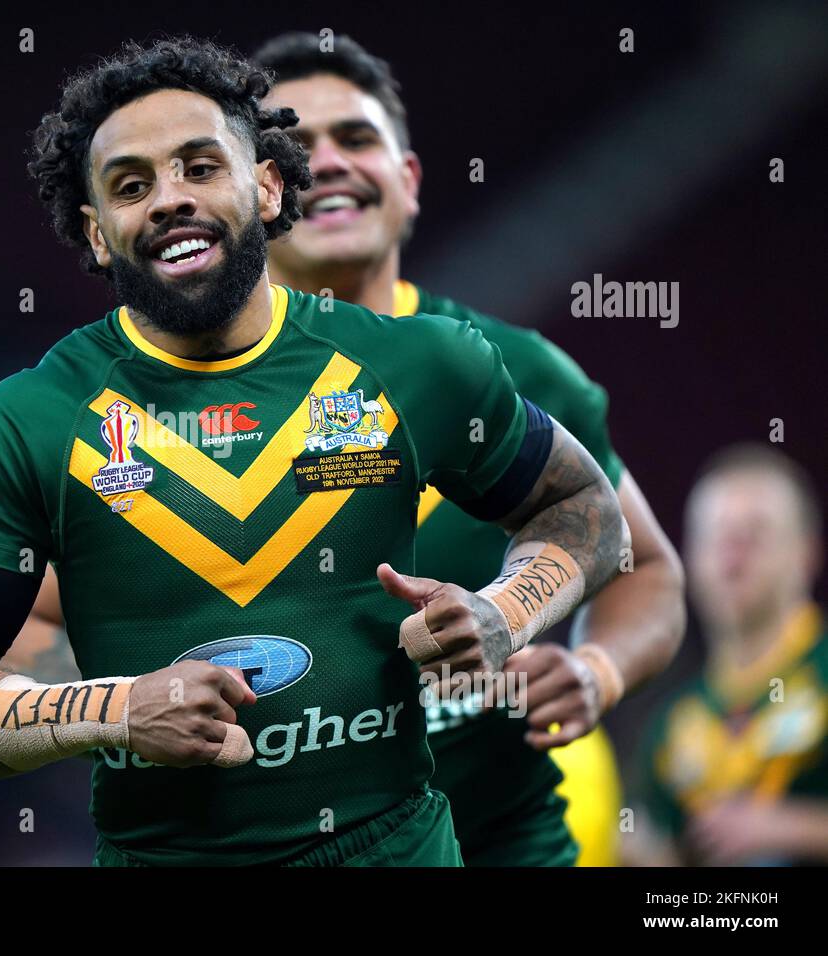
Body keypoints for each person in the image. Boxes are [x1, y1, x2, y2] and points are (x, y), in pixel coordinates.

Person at [0, 37, 627, 866]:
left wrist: (505, 610)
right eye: (132, 187)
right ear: (96, 234)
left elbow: (585, 511)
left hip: (394, 849)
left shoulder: (419, 367)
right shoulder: (28, 423)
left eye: (200, 167)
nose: (168, 199)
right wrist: (118, 710)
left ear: (267, 186)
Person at [249, 31, 687, 866]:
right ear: (256, 194)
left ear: (408, 185)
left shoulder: (517, 371)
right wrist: (130, 706)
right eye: (298, 148)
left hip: (503, 843)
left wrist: (597, 668)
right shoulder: (181, 399)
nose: (332, 161)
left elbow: (649, 568)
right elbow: (44, 621)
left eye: (359, 138)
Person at [629, 445, 828, 865]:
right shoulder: (670, 727)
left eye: (754, 535)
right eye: (716, 537)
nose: (732, 557)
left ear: (808, 552)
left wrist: (792, 827)